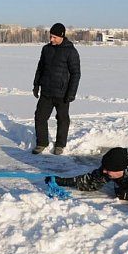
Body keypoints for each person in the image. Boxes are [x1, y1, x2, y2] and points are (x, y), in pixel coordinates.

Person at [32, 23, 80, 156]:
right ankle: (42, 142)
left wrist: (71, 93)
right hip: (46, 91)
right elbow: (40, 68)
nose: (51, 39)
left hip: (62, 93)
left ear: (62, 36)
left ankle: (60, 144)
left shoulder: (71, 51)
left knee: (62, 119)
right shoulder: (46, 49)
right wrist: (36, 85)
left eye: (54, 37)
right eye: (50, 36)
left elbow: (76, 73)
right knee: (40, 117)